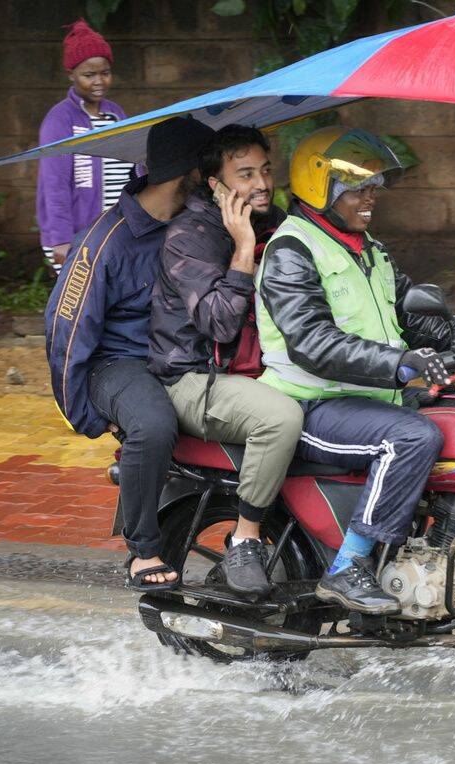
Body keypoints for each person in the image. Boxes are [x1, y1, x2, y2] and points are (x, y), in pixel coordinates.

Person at [255, 127, 455, 615]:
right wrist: (400, 363)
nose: (372, 195)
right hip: (308, 404)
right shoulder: (292, 251)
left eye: (374, 186)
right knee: (412, 438)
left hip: (366, 399)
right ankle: (348, 567)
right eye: (358, 186)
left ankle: (427, 553)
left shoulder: (368, 248)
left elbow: (409, 315)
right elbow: (312, 344)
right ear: (318, 185)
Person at [45, 116, 216, 591]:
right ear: (190, 173)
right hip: (119, 365)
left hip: (181, 356)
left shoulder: (197, 219)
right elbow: (66, 333)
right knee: (153, 423)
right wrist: (89, 418)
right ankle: (144, 549)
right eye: (213, 166)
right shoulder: (104, 242)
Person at [149, 125, 302, 597]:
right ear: (216, 184)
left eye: (266, 170)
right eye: (245, 174)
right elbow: (218, 326)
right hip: (195, 378)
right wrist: (241, 249)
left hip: (255, 369)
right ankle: (246, 537)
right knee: (280, 419)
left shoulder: (275, 222)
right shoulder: (189, 237)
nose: (261, 183)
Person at [37, 19, 136, 273]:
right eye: (88, 75)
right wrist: (60, 238)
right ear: (72, 75)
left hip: (115, 230)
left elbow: (132, 167)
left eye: (105, 73)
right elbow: (54, 184)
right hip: (76, 235)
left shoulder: (116, 114)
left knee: (110, 302)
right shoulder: (60, 119)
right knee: (79, 305)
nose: (99, 81)